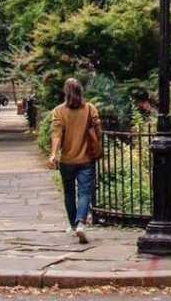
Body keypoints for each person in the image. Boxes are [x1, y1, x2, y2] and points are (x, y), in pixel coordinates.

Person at [48, 79, 101, 244]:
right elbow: (97, 130)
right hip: (86, 159)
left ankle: (73, 224)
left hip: (67, 160)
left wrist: (53, 155)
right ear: (80, 91)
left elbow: (56, 134)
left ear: (66, 93)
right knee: (85, 192)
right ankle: (80, 223)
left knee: (69, 193)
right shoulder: (90, 109)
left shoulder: (59, 111)